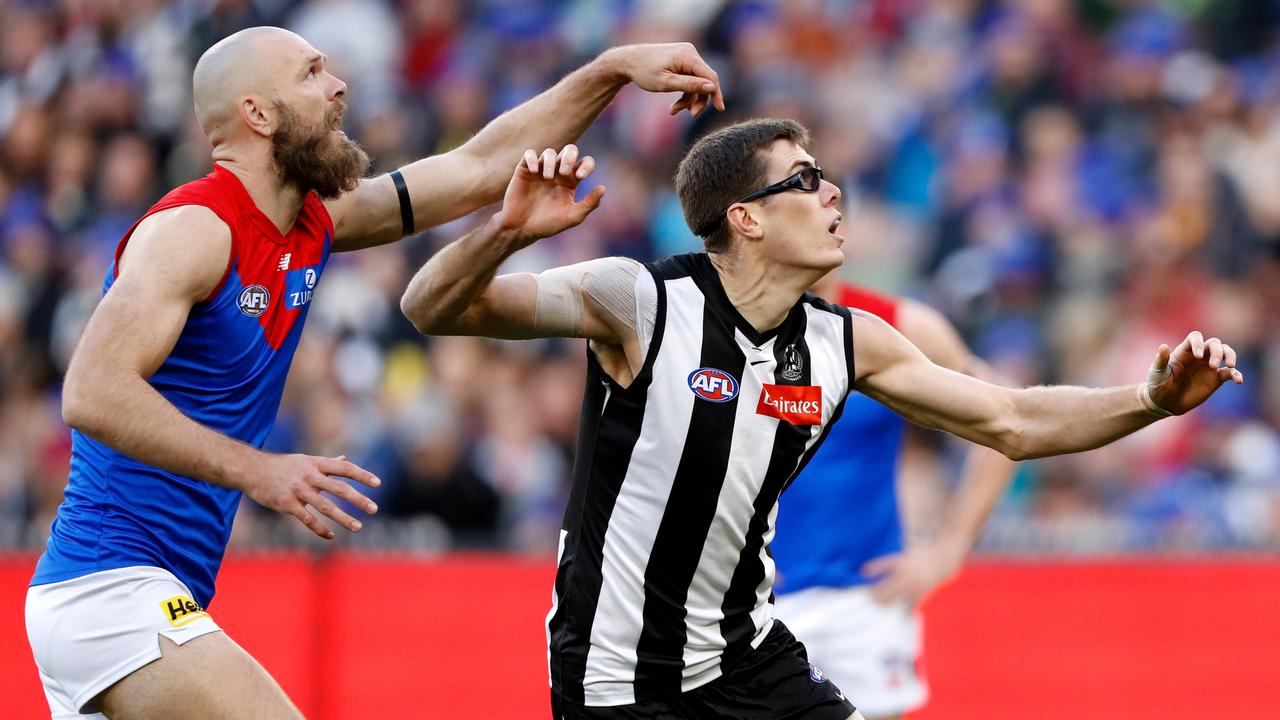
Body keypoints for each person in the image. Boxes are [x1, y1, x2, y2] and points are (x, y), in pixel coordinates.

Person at [398, 118, 1243, 720]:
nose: (833, 189)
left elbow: (1012, 420)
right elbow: (430, 305)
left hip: (748, 658)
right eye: (804, 179)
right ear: (748, 218)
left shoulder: (853, 339)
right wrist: (504, 232)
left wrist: (1148, 401)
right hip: (618, 677)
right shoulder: (640, 299)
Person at [25, 26, 723, 720]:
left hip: (141, 594)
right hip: (107, 591)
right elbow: (90, 391)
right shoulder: (195, 230)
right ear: (257, 114)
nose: (339, 85)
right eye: (312, 73)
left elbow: (482, 166)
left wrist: (608, 70)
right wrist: (259, 471)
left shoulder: (313, 221)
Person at [771, 275, 1017, 720]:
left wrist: (948, 550)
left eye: (835, 206)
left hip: (866, 599)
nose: (829, 213)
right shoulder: (728, 326)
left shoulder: (899, 326)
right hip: (759, 602)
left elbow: (1003, 418)